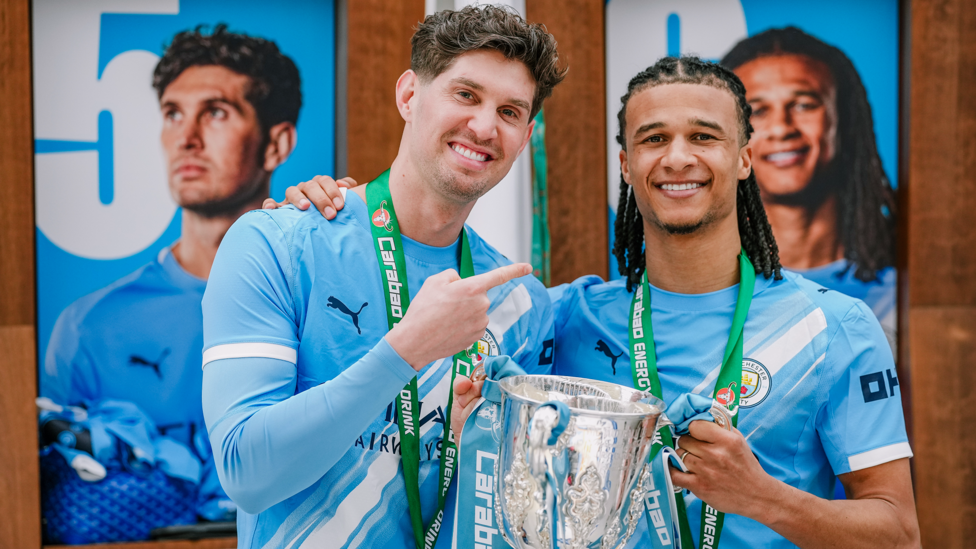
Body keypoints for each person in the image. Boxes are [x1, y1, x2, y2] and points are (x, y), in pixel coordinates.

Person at [285, 56, 918, 548]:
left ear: (745, 158)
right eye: (653, 138)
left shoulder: (832, 326)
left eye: (704, 137)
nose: (677, 158)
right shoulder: (562, 317)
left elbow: (899, 534)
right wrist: (332, 214)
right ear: (625, 162)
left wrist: (759, 496)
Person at [199, 7, 564, 549]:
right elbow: (247, 473)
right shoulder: (276, 242)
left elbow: (514, 525)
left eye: (509, 112)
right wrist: (406, 350)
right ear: (409, 96)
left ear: (525, 134)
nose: (485, 126)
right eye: (465, 95)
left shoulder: (519, 304)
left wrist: (476, 457)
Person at [40, 25, 302, 520]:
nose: (187, 138)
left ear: (276, 143)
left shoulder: (323, 304)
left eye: (216, 112)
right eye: (173, 114)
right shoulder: (87, 327)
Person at [721, 27, 898, 349]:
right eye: (756, 111)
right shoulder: (709, 283)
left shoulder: (908, 279)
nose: (782, 128)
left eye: (804, 104)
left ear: (844, 120)